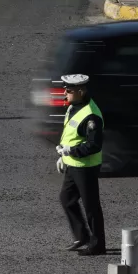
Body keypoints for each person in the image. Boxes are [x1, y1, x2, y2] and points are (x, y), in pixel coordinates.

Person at [56, 74, 106, 256]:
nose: (64, 93)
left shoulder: (91, 115)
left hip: (86, 167)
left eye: (68, 90)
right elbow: (71, 133)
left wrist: (71, 151)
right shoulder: (74, 107)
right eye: (65, 89)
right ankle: (82, 236)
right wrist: (64, 155)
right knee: (66, 198)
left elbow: (94, 145)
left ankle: (98, 245)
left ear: (81, 91)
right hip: (73, 165)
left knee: (91, 206)